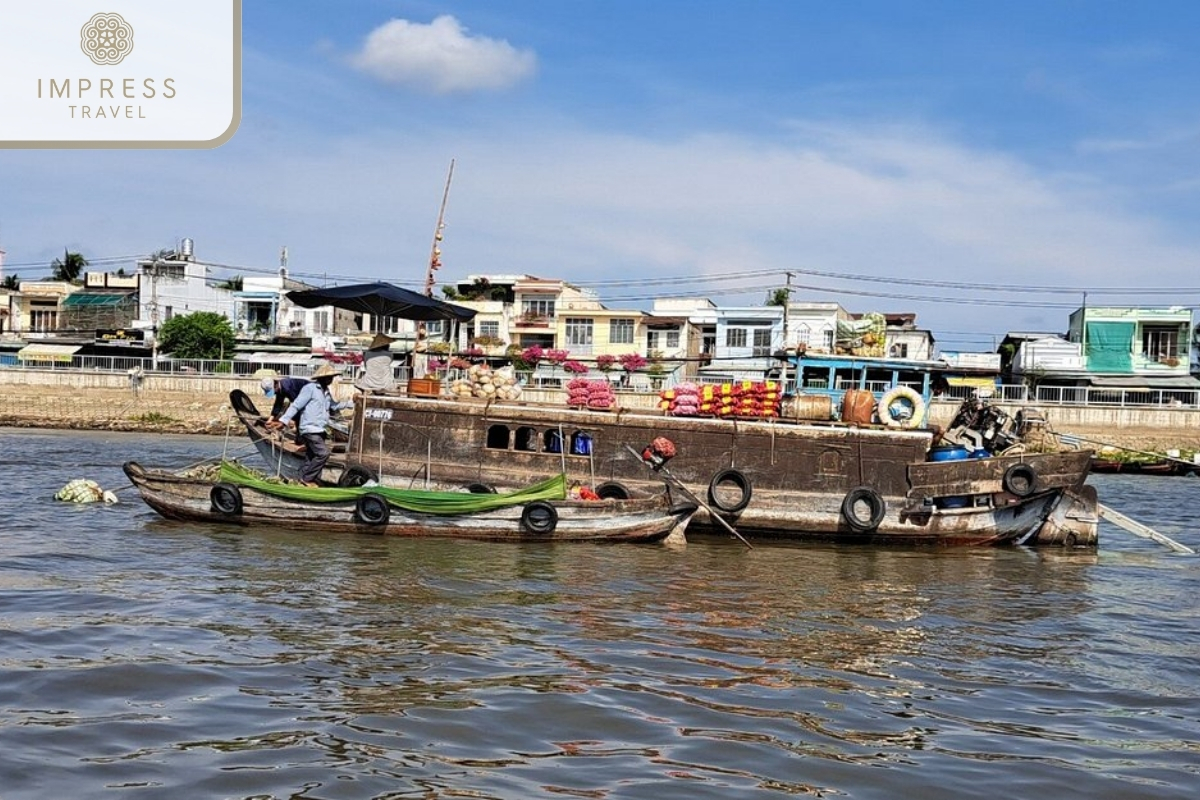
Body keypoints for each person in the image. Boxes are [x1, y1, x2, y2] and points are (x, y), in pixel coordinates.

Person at [266, 363, 353, 487]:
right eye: (329, 377)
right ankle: (307, 479)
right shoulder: (310, 389)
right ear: (322, 378)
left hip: (320, 429)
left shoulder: (326, 392)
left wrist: (351, 403)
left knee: (310, 457)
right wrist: (283, 421)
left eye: (332, 377)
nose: (331, 379)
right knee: (323, 454)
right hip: (309, 428)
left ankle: (298, 480)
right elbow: (296, 405)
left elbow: (334, 406)